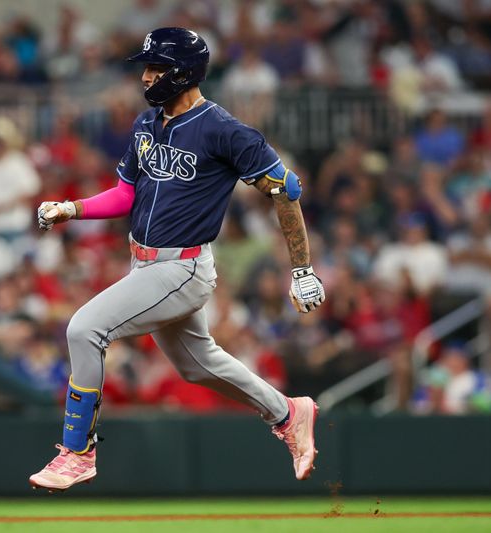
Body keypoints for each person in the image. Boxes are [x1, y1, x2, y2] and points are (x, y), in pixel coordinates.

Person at [29, 28, 325, 492]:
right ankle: (289, 413)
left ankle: (77, 453)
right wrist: (74, 208)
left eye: (156, 68)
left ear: (184, 72)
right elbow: (126, 193)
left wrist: (302, 269)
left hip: (182, 266)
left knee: (85, 329)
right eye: (145, 67)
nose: (146, 77)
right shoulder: (147, 123)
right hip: (145, 265)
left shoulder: (223, 129)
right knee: (196, 364)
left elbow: (285, 188)